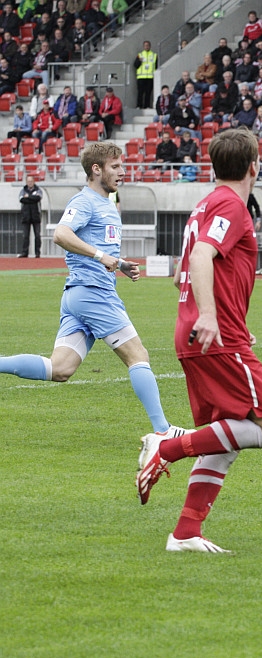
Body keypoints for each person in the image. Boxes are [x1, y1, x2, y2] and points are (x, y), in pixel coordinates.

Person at [136, 128, 262, 553]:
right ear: (254, 166)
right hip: (214, 335)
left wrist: (222, 313)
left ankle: (185, 533)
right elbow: (202, 256)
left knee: (230, 433)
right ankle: (167, 446)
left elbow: (183, 274)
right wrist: (210, 316)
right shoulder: (231, 205)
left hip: (202, 331)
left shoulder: (204, 205)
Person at [0, 143, 186, 441]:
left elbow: (98, 247)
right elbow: (61, 234)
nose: (122, 172)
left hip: (79, 294)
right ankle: (163, 431)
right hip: (93, 293)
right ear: (96, 169)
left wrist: (120, 264)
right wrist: (101, 257)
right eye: (115, 167)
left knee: (60, 368)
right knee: (138, 355)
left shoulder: (107, 203)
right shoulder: (85, 201)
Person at [17, 174, 42, 258]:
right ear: (26, 182)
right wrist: (32, 198)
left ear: (34, 182)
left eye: (31, 181)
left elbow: (38, 198)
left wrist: (28, 197)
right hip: (26, 217)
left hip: (36, 217)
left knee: (37, 236)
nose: (30, 183)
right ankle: (24, 253)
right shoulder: (23, 190)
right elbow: (21, 199)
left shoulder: (38, 190)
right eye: (28, 181)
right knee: (25, 236)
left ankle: (37, 253)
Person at [133, 40, 156, 109]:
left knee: (148, 92)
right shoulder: (140, 55)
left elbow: (156, 66)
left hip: (150, 77)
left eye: (148, 45)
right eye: (145, 45)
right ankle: (139, 105)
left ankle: (147, 106)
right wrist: (139, 61)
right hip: (141, 77)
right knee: (140, 92)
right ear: (143, 47)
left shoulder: (154, 55)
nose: (146, 47)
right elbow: (135, 65)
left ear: (150, 46)